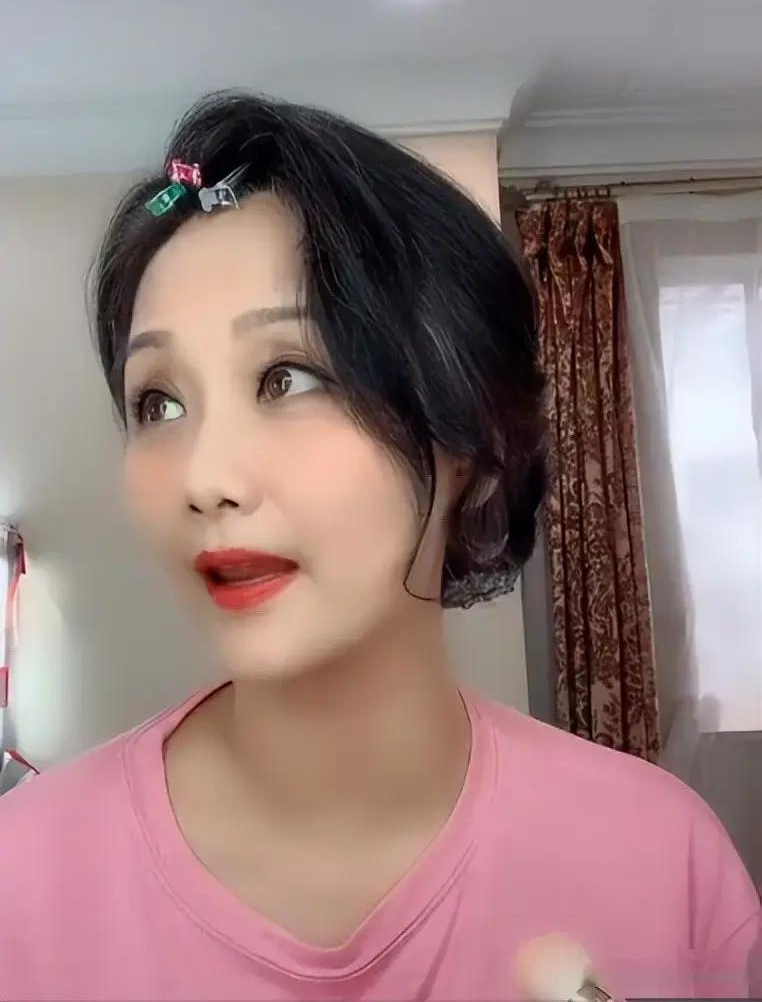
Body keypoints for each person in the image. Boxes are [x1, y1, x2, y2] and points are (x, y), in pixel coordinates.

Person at [0, 92, 758, 1001]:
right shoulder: (23, 883)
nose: (205, 477)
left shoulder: (660, 862)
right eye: (157, 402)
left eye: (287, 377)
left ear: (472, 440)